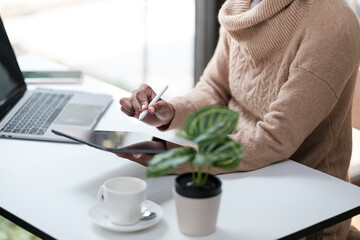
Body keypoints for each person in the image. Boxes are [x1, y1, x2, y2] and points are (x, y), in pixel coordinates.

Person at [119, 0, 360, 239]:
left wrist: (178, 156)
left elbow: (275, 138)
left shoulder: (332, 24)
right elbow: (215, 89)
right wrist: (170, 111)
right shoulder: (241, 6)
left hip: (306, 212)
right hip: (238, 176)